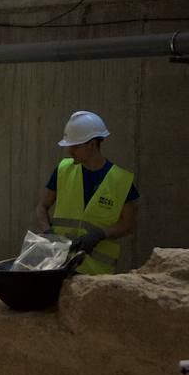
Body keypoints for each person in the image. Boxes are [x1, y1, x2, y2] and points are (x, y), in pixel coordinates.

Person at [33, 111, 139, 275]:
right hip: (60, 267)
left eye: (75, 146)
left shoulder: (120, 180)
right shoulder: (63, 170)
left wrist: (99, 235)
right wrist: (48, 233)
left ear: (92, 144)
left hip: (97, 274)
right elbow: (42, 207)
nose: (69, 151)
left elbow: (128, 224)